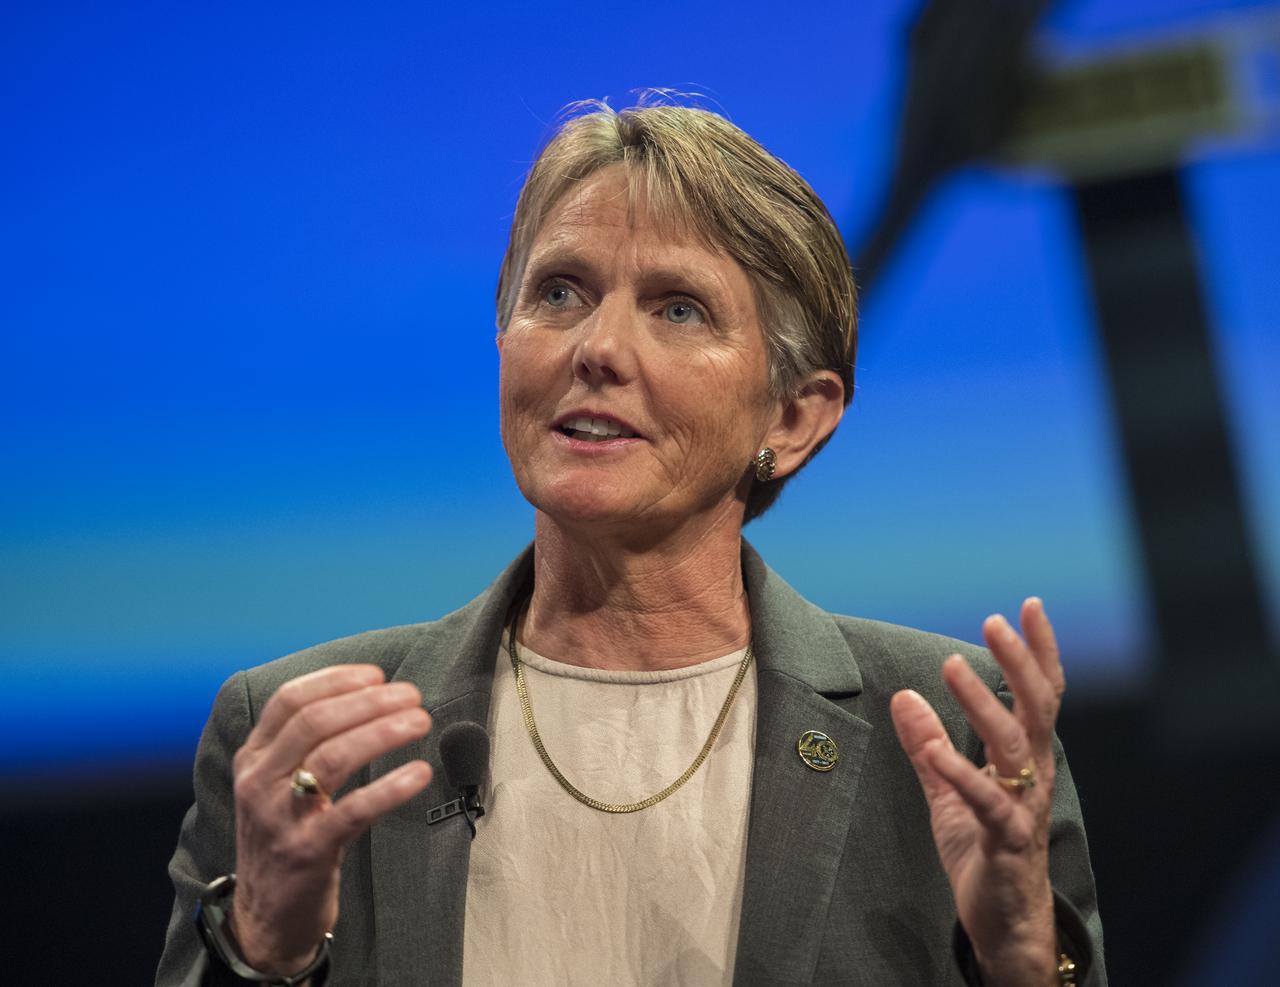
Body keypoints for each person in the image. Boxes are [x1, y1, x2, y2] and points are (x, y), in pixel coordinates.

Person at [158, 98, 1104, 986]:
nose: (598, 347)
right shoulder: (301, 742)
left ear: (794, 415)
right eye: (560, 292)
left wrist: (1020, 958)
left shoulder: (953, 737)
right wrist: (267, 951)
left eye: (677, 308)